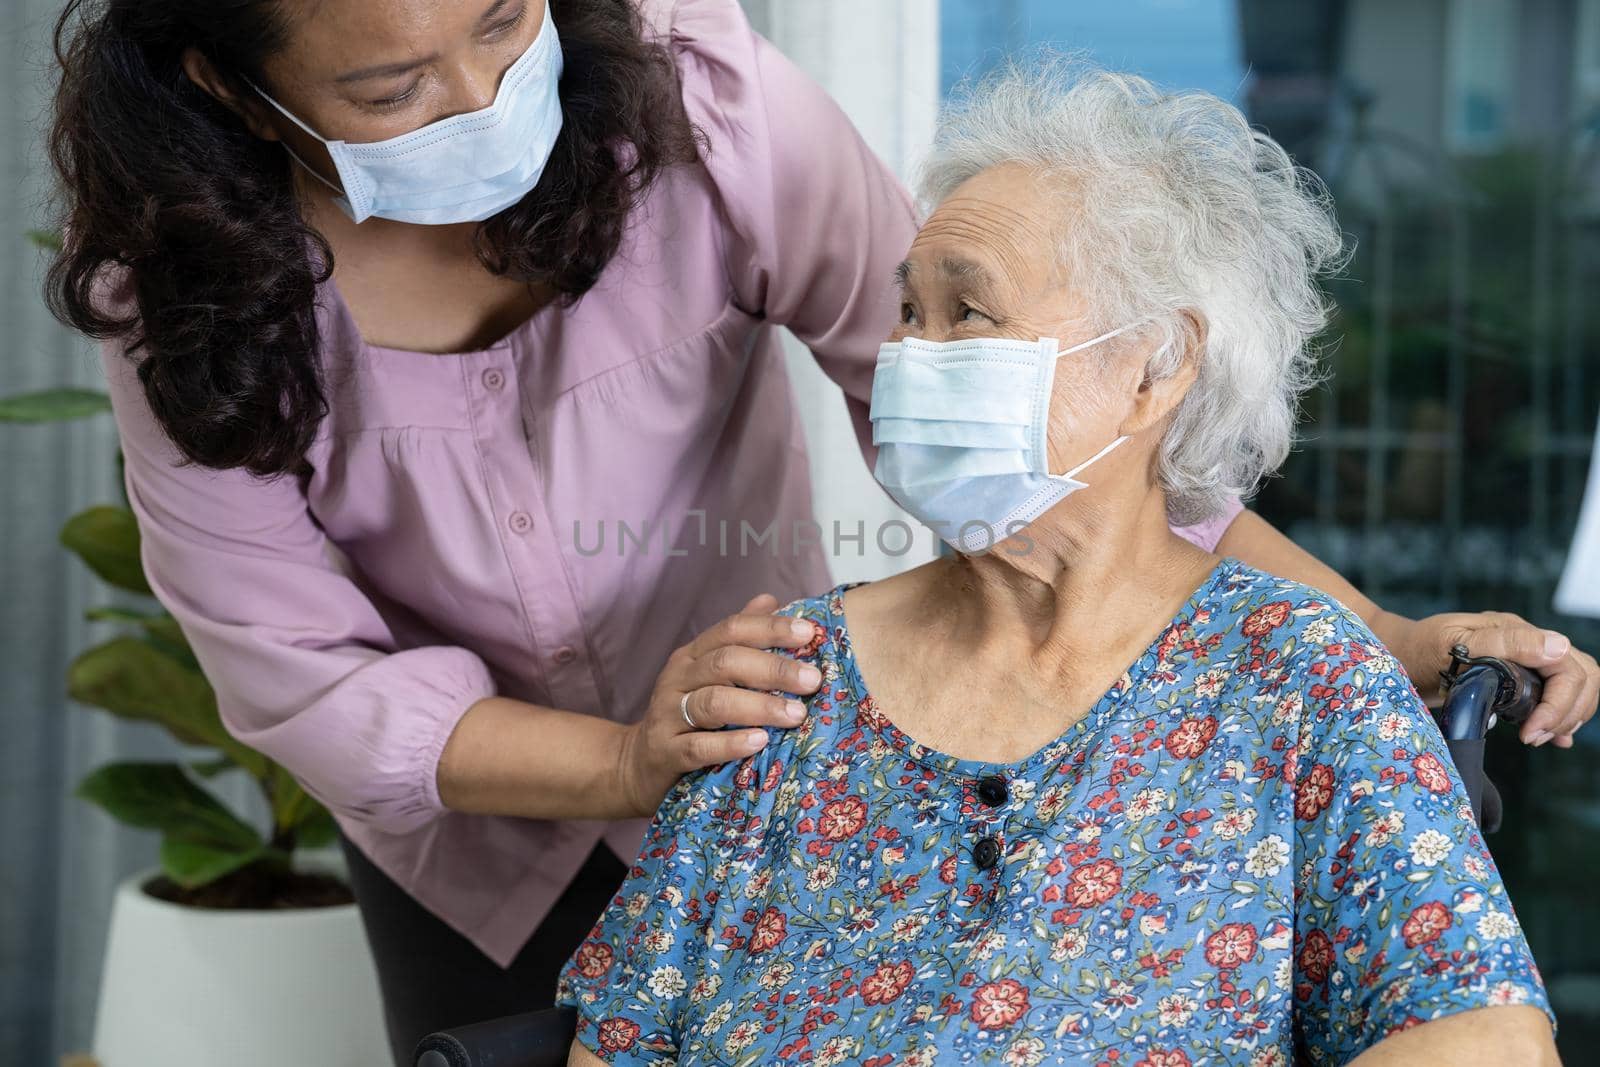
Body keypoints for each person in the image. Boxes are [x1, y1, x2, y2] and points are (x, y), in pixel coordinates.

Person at [45, 0, 1591, 1060]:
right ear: (223, 83)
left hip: (727, 718)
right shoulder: (795, 699)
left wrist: (1380, 635)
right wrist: (636, 756)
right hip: (495, 821)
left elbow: (1094, 459)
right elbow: (305, 673)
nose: (474, 97)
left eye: (506, 25)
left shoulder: (698, 111)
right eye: (390, 86)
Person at [558, 63, 1561, 1066]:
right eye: (910, 311)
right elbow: (619, 1041)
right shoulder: (786, 675)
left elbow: (1479, 1038)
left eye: (967, 312)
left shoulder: (1299, 680)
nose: (908, 353)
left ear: (1153, 369)